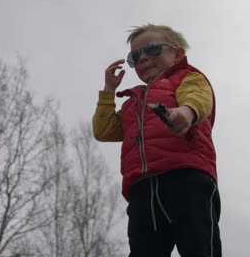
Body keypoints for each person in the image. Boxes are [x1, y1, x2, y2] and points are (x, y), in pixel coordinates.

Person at [92, 24, 222, 256]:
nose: (142, 58)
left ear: (178, 54)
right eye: (134, 56)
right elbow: (104, 130)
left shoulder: (186, 77)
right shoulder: (134, 100)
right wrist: (108, 90)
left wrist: (186, 112)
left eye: (151, 49)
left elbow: (199, 98)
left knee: (199, 246)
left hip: (186, 177)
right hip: (142, 188)